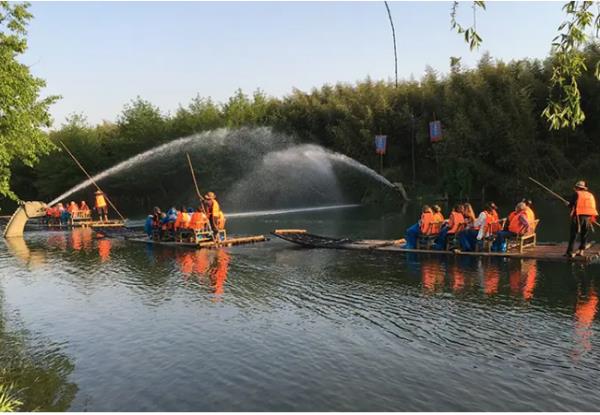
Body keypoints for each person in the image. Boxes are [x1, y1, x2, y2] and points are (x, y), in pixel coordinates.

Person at [566, 181, 598, 257]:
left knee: (573, 234)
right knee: (584, 235)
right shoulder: (590, 195)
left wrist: (568, 204)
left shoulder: (576, 194)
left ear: (577, 188)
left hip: (578, 216)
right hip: (588, 217)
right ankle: (581, 252)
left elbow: (571, 205)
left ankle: (569, 252)